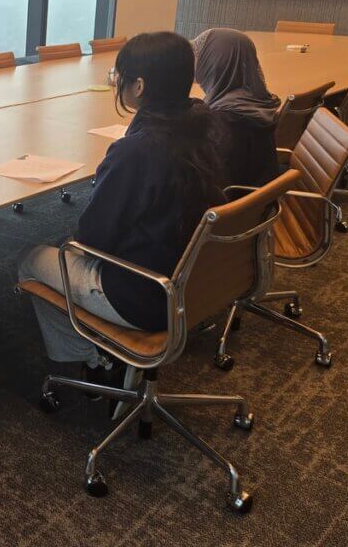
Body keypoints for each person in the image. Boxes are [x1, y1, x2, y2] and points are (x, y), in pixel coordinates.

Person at [18, 31, 226, 380]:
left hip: (142, 294)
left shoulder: (138, 151)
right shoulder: (204, 129)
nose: (119, 84)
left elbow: (91, 239)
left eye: (121, 77)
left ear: (140, 86)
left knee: (29, 257)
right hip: (197, 284)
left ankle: (93, 363)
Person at [194, 27, 281, 187]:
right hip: (258, 198)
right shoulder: (257, 101)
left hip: (231, 205)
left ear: (214, 63)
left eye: (200, 57)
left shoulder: (223, 124)